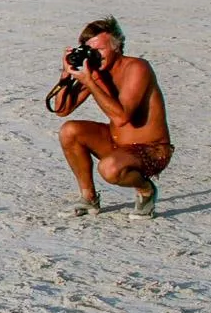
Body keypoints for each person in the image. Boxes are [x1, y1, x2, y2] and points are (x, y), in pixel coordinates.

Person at [51, 15, 173, 218]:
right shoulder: (96, 71)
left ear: (117, 47)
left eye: (100, 49)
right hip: (117, 144)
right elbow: (61, 109)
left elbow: (122, 118)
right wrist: (65, 75)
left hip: (151, 150)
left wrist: (92, 82)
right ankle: (88, 198)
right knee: (69, 130)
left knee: (109, 169)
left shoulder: (137, 68)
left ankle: (146, 190)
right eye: (91, 50)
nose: (96, 55)